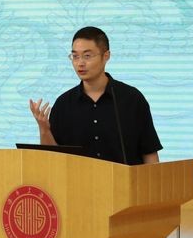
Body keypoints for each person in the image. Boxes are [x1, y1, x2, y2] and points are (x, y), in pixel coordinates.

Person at [28, 26, 161, 165]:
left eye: (87, 56)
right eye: (75, 56)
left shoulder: (132, 99)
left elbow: (149, 153)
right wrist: (44, 129)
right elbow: (52, 159)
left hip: (124, 179)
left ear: (106, 56)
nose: (80, 63)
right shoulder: (64, 104)